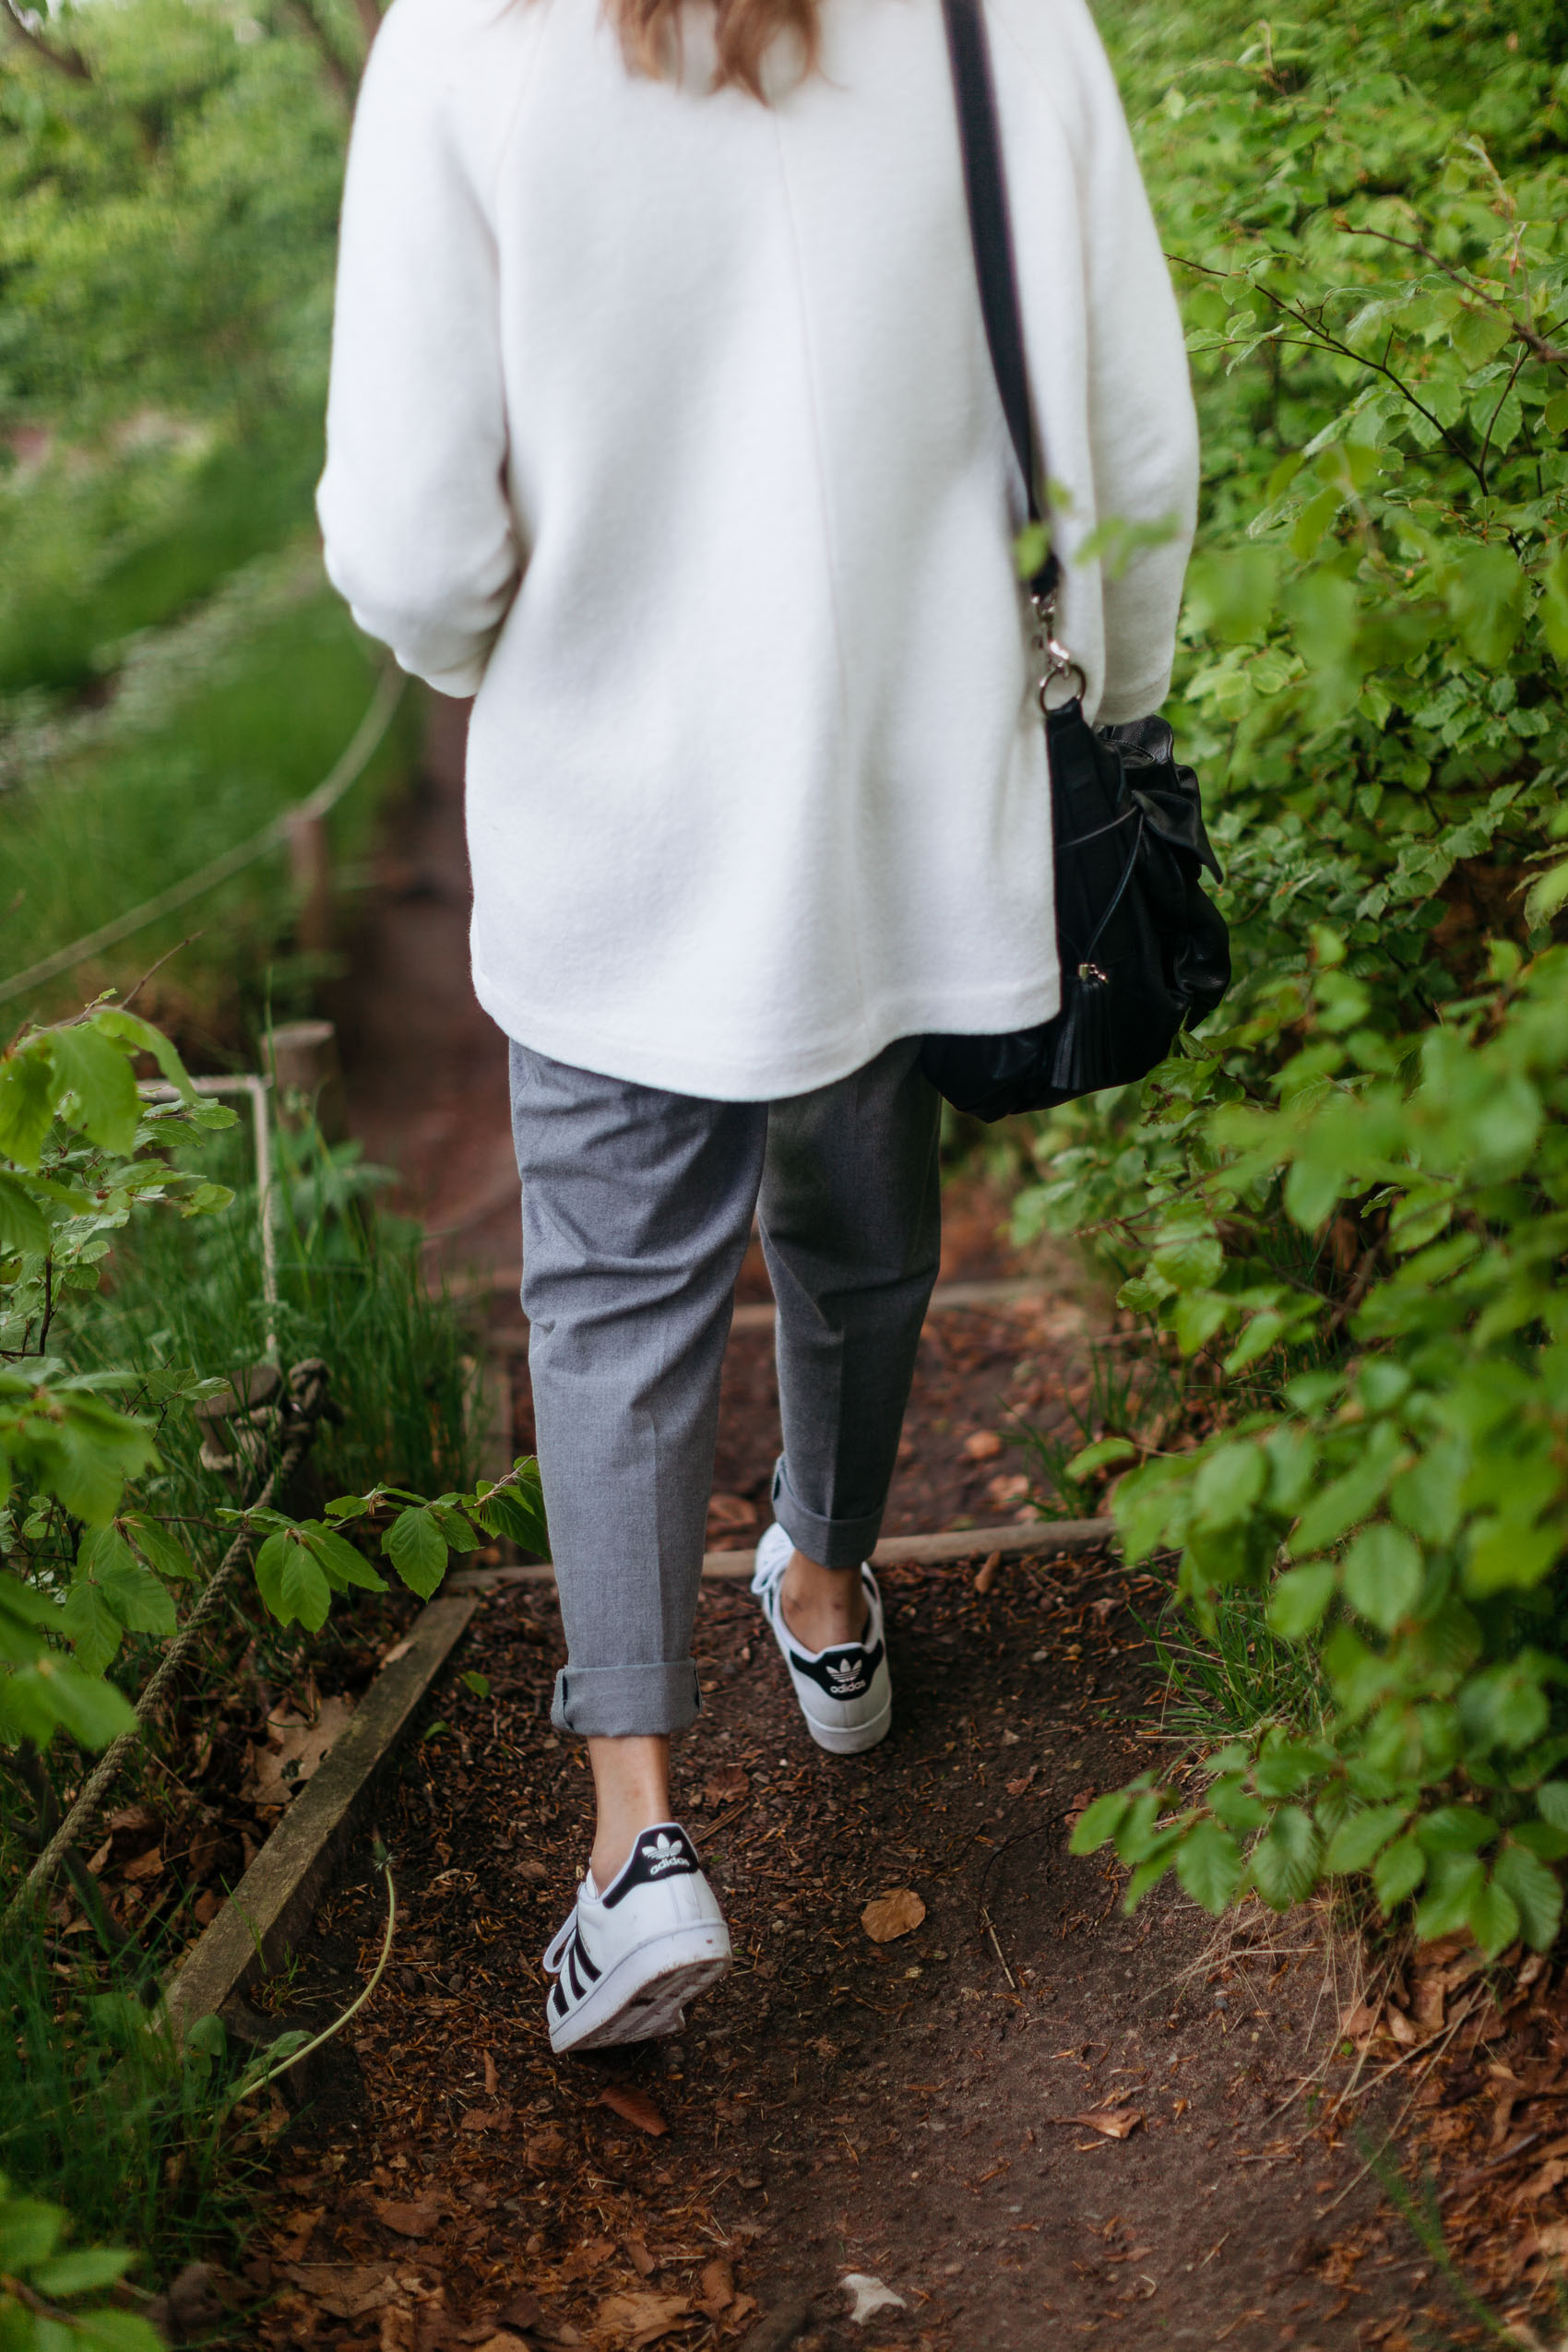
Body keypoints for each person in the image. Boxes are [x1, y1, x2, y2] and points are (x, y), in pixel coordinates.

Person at [317, 0, 1197, 2054]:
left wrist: (510, 642)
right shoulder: (996, 23)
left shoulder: (465, 37)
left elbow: (419, 546)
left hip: (615, 812)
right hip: (907, 793)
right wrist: (1121, 709)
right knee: (866, 1224)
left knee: (617, 1294)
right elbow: (1129, 445)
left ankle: (636, 1849)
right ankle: (820, 1590)